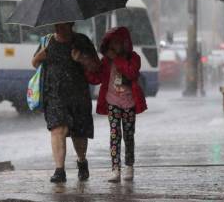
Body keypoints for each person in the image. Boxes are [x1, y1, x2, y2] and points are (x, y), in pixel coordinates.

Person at [32, 22, 99, 183]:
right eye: (55, 24)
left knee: (79, 134)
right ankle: (59, 170)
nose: (57, 27)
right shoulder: (47, 41)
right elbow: (35, 63)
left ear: (71, 24)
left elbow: (96, 66)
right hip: (54, 94)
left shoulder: (82, 41)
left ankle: (82, 161)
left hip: (78, 95)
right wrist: (39, 56)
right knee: (57, 129)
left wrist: (82, 58)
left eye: (61, 25)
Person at [85, 27, 147, 182]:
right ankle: (115, 169)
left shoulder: (134, 58)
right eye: (112, 43)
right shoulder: (106, 61)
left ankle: (129, 166)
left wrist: (118, 59)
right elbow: (96, 78)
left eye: (118, 43)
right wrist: (86, 66)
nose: (115, 46)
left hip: (129, 103)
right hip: (112, 102)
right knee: (114, 134)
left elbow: (131, 73)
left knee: (128, 135)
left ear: (125, 44)